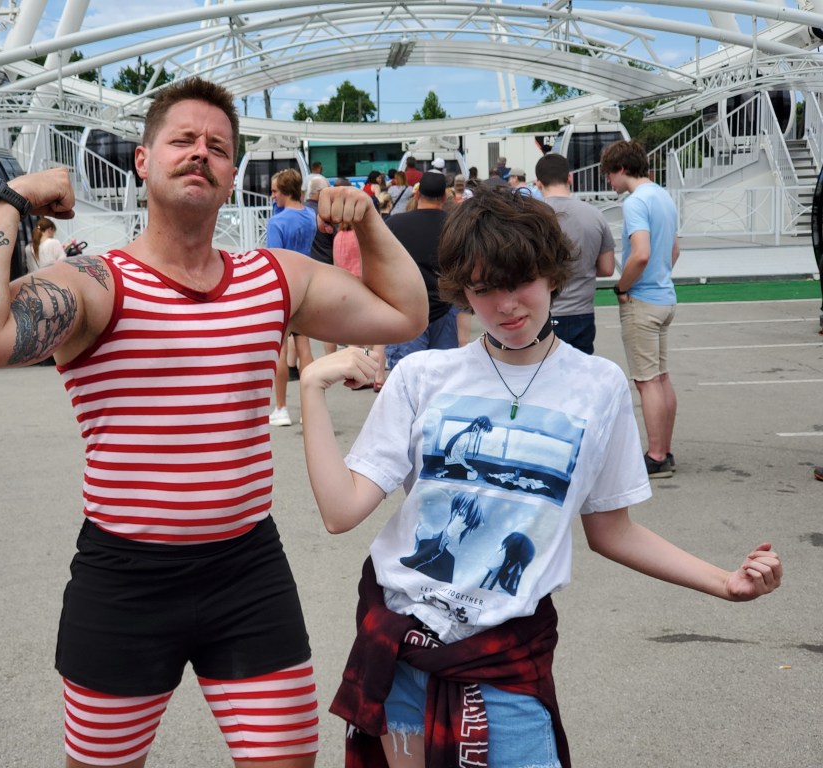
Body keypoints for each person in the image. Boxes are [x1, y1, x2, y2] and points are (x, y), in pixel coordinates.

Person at [0, 76, 428, 768]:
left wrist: (369, 222)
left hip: (246, 570)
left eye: (218, 147)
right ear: (143, 160)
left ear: (232, 176)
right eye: (183, 140)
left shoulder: (273, 279)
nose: (201, 153)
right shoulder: (98, 283)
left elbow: (405, 314)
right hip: (124, 579)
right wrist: (13, 199)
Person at [297, 186, 782, 768]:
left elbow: (613, 531)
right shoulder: (422, 376)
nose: (506, 305)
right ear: (463, 291)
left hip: (507, 658)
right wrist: (311, 388)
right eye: (484, 288)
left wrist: (724, 582)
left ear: (551, 273)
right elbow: (340, 511)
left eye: (521, 281)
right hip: (400, 647)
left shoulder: (598, 386)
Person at [601, 139, 680, 480]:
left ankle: (656, 455)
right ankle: (666, 449)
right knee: (661, 378)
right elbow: (674, 251)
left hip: (643, 301)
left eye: (609, 174)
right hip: (665, 297)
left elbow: (641, 254)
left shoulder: (635, 203)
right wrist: (659, 276)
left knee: (647, 382)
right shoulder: (663, 196)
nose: (609, 182)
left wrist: (622, 287)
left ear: (621, 169)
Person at [381, 170, 459, 390]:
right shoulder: (454, 225)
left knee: (407, 383)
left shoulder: (395, 224)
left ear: (417, 195)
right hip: (445, 308)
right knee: (443, 382)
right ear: (444, 197)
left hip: (406, 309)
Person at [534, 153, 615, 354]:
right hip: (581, 311)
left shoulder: (532, 217)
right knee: (580, 369)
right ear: (569, 177)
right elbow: (607, 268)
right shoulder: (595, 214)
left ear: (538, 183)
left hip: (542, 311)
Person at [267, 167, 318, 427]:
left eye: (275, 191)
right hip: (307, 286)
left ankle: (281, 407)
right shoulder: (310, 215)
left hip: (285, 288)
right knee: (305, 349)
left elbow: (274, 259)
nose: (273, 195)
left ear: (284, 191)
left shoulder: (277, 222)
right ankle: (309, 407)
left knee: (281, 350)